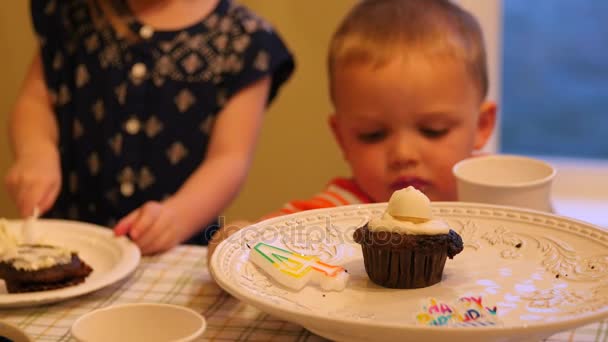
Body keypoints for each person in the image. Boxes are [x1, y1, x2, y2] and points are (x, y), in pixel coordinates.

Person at [208, 0, 496, 260]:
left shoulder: (497, 200)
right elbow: (265, 239)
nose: (403, 154)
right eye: (373, 134)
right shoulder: (338, 209)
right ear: (342, 138)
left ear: (482, 126)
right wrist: (236, 238)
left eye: (434, 130)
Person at [4, 0, 295, 255]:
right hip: (69, 239)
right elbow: (36, 101)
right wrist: (35, 152)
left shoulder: (244, 40)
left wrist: (178, 216)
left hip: (170, 250)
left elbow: (229, 158)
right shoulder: (72, 12)